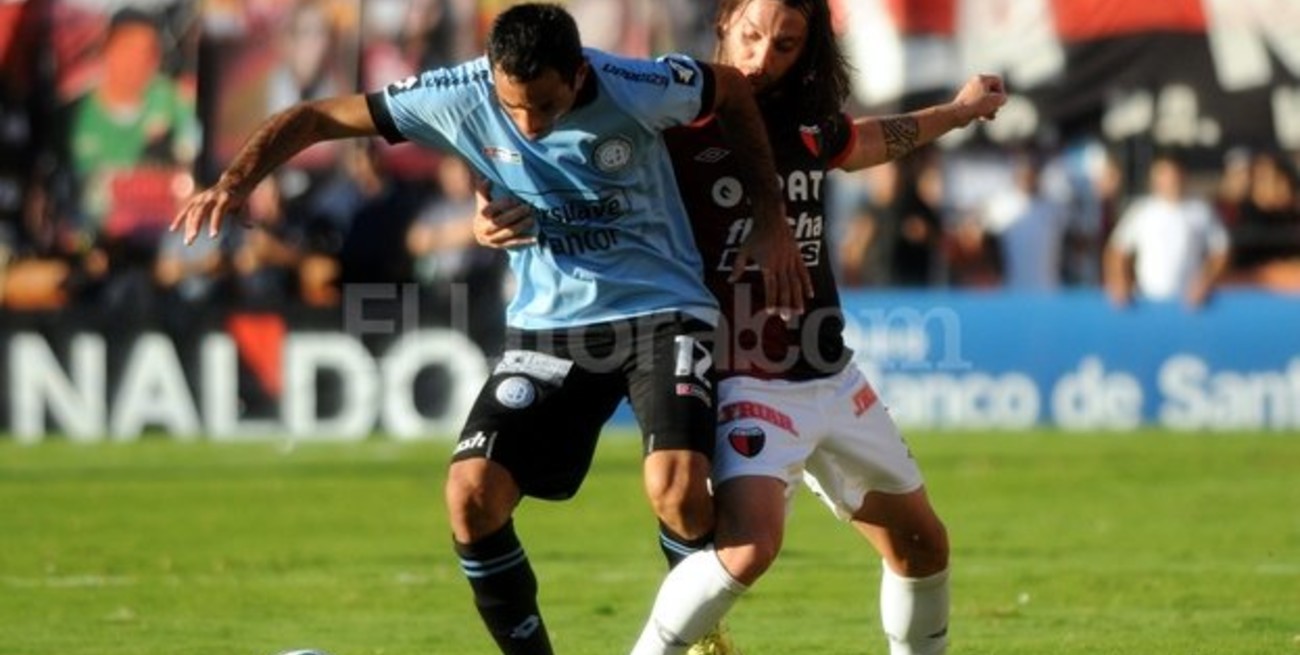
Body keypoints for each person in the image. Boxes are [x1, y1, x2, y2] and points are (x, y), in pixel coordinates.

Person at [171, 4, 811, 655]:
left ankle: (699, 634)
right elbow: (317, 117)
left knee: (676, 489)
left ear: (579, 74)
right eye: (514, 107)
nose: (529, 123)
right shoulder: (458, 93)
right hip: (548, 326)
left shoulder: (634, 85)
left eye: (546, 105)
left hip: (663, 310)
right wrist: (234, 182)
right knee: (470, 494)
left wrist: (770, 217)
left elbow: (730, 90)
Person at [473, 2, 1006, 653]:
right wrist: (493, 206)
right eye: (752, 36)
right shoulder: (671, 115)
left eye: (786, 44)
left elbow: (866, 141)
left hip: (829, 369)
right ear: (725, 22)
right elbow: (567, 157)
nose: (762, 58)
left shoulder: (801, 116)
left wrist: (957, 111)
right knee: (748, 548)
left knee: (922, 545)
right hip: (742, 371)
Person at [1104, 153, 1230, 310]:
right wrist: (1119, 281)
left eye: (1173, 175)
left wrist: (1205, 282)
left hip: (1189, 304)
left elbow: (1220, 251)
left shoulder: (1201, 210)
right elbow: (1117, 250)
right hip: (1145, 303)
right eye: (1163, 175)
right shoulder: (1140, 211)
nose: (1169, 181)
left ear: (1183, 176)